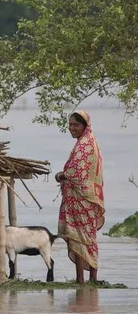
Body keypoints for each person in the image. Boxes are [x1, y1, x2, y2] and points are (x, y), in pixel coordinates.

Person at [56, 111, 105, 284]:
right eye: (70, 125)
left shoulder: (85, 144)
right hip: (83, 198)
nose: (72, 128)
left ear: (85, 126)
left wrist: (61, 175)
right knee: (86, 237)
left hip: (81, 199)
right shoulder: (88, 142)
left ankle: (82, 279)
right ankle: (88, 278)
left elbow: (76, 173)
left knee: (80, 236)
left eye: (75, 125)